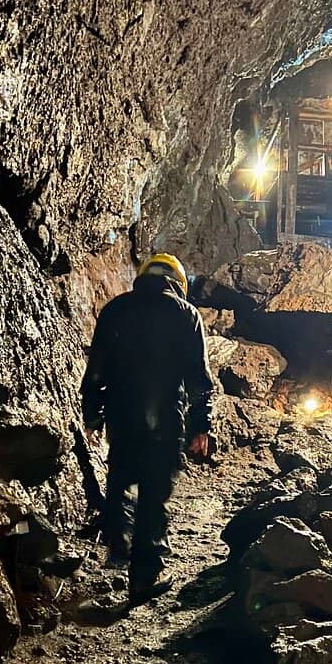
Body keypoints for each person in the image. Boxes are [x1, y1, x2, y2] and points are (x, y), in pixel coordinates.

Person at [81, 252, 215, 602]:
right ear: (178, 282)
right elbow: (199, 380)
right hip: (167, 419)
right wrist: (202, 426)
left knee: (122, 476)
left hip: (121, 416)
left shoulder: (115, 309)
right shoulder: (186, 314)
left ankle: (119, 540)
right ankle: (144, 575)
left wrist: (92, 415)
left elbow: (96, 369)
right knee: (155, 495)